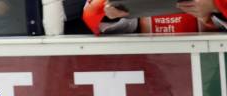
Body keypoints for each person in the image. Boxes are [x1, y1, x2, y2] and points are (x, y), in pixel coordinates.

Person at [83, 0, 226, 34]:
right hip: (151, 65)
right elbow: (90, 14)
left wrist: (214, 6)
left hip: (211, 63)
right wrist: (109, 12)